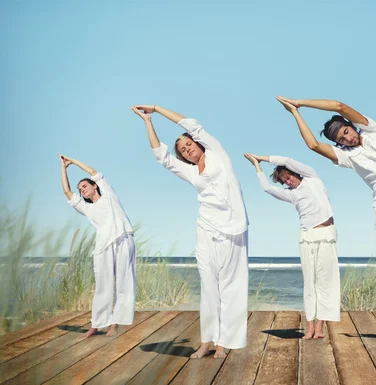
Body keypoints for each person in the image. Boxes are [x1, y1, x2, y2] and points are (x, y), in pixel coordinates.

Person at [276, 96, 376, 354]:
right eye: (341, 140)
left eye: (346, 132)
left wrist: (300, 103)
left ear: (351, 126)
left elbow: (338, 106)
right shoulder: (348, 157)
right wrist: (294, 114)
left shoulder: (374, 131)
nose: (347, 139)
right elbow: (313, 145)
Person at [132, 104, 249, 358]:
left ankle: (224, 343)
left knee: (230, 287)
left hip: (233, 228)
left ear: (197, 142)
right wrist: (147, 123)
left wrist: (155, 109)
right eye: (183, 150)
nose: (187, 149)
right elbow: (161, 156)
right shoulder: (189, 170)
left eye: (188, 144)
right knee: (208, 287)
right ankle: (206, 342)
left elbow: (190, 124)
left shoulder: (217, 152)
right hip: (205, 228)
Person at [244, 153, 340, 339]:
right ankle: (310, 327)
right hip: (306, 237)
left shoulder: (312, 178)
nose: (288, 182)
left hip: (326, 234)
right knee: (310, 283)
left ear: (296, 173)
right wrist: (257, 166)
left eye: (288, 177)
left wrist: (262, 158)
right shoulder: (291, 195)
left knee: (325, 282)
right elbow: (266, 188)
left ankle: (320, 328)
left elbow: (286, 161)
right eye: (284, 181)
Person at [59, 154, 136, 338]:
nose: (82, 190)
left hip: (123, 239)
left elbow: (93, 172)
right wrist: (63, 168)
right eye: (80, 189)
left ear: (95, 185)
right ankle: (96, 324)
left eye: (85, 186)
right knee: (103, 285)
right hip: (103, 246)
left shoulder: (109, 194)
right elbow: (67, 192)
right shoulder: (87, 208)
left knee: (124, 283)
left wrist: (73, 161)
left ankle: (115, 324)